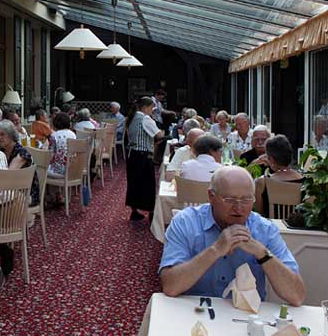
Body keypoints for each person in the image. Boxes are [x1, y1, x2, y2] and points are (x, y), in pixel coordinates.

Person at [159, 166, 305, 306]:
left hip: (246, 318)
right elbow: (170, 286)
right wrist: (215, 250)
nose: (239, 208)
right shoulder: (186, 222)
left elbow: (297, 296)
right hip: (195, 312)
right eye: (230, 200)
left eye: (247, 200)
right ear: (211, 196)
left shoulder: (264, 230)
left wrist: (262, 254)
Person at [125, 97, 164, 221]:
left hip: (132, 154)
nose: (152, 111)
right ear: (146, 107)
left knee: (133, 183)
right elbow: (158, 134)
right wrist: (162, 134)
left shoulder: (132, 117)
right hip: (143, 156)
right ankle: (151, 212)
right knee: (148, 184)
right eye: (152, 108)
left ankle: (134, 211)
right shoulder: (145, 118)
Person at [254, 135, 304, 217]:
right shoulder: (305, 181)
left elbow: (259, 215)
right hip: (297, 229)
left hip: (271, 228)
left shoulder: (262, 182)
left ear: (272, 159)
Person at [0, 120, 40, 207]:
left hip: (27, 194)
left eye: (2, 134)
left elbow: (8, 174)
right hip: (10, 190)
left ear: (11, 135)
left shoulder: (21, 153)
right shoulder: (1, 151)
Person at [47, 112, 77, 178]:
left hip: (59, 171)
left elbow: (50, 155)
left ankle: (43, 188)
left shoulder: (54, 135)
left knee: (39, 167)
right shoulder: (73, 135)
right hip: (72, 169)